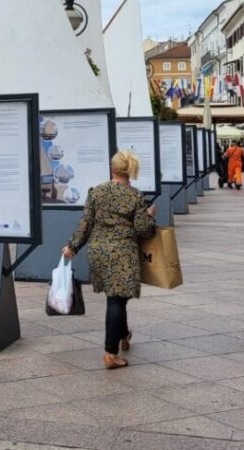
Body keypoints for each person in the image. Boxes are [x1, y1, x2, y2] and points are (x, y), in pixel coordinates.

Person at [62, 150, 156, 369]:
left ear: (112, 169)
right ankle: (110, 353)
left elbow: (85, 224)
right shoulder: (135, 196)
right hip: (122, 252)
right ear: (129, 171)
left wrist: (72, 246)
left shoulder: (96, 192)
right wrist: (150, 216)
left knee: (117, 298)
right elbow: (144, 231)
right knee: (116, 300)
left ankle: (124, 334)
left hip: (98, 251)